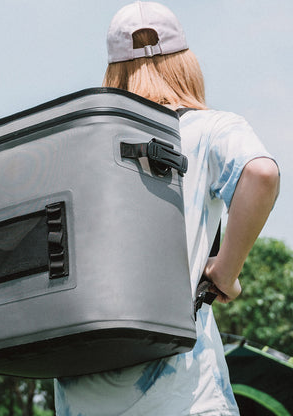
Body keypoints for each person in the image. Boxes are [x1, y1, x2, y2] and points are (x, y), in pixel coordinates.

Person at [54, 2, 280, 415]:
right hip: (185, 391)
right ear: (184, 63)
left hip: (81, 388)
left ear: (113, 71)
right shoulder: (208, 128)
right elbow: (261, 174)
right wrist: (224, 271)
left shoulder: (82, 140)